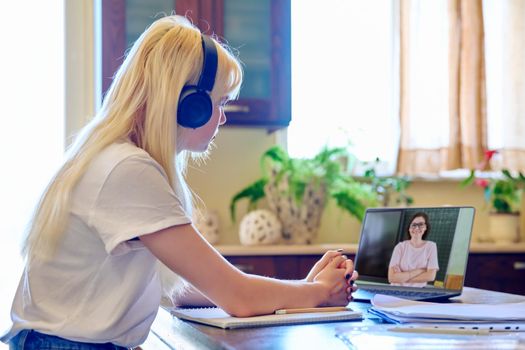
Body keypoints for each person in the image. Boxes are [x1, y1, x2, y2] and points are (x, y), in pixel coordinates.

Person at [1, 15, 358, 349]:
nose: (221, 118)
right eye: (218, 103)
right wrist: (315, 293)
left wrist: (305, 289)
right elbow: (238, 298)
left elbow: (184, 288)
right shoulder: (127, 168)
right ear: (188, 104)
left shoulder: (111, 157)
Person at [388, 212, 439, 287]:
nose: (417, 228)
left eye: (421, 224)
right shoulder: (400, 247)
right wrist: (420, 271)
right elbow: (392, 278)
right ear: (409, 228)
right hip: (396, 289)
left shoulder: (431, 246)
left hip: (417, 291)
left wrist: (402, 277)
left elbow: (430, 276)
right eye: (413, 225)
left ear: (425, 228)